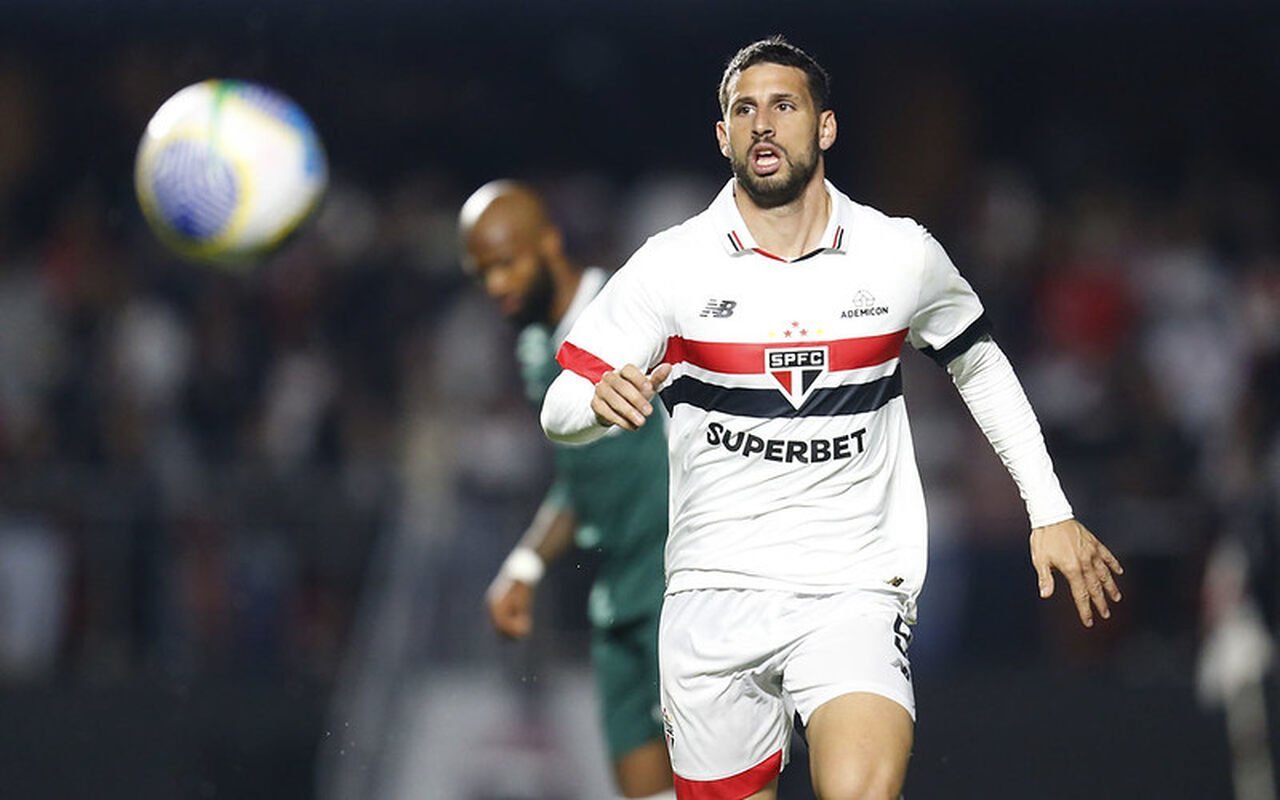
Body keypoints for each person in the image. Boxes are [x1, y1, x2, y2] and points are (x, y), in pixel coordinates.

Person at [539, 36, 1125, 799]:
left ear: (825, 127)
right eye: (743, 110)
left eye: (784, 105)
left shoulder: (898, 253)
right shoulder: (671, 265)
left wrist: (1049, 509)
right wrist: (593, 403)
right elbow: (560, 403)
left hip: (853, 590)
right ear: (722, 136)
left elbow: (978, 361)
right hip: (711, 598)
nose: (762, 123)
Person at [458, 181, 676, 799]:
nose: (496, 284)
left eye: (508, 263)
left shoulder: (631, 314)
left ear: (550, 242)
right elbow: (580, 481)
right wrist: (525, 566)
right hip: (620, 596)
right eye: (483, 272)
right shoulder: (536, 348)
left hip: (680, 589)